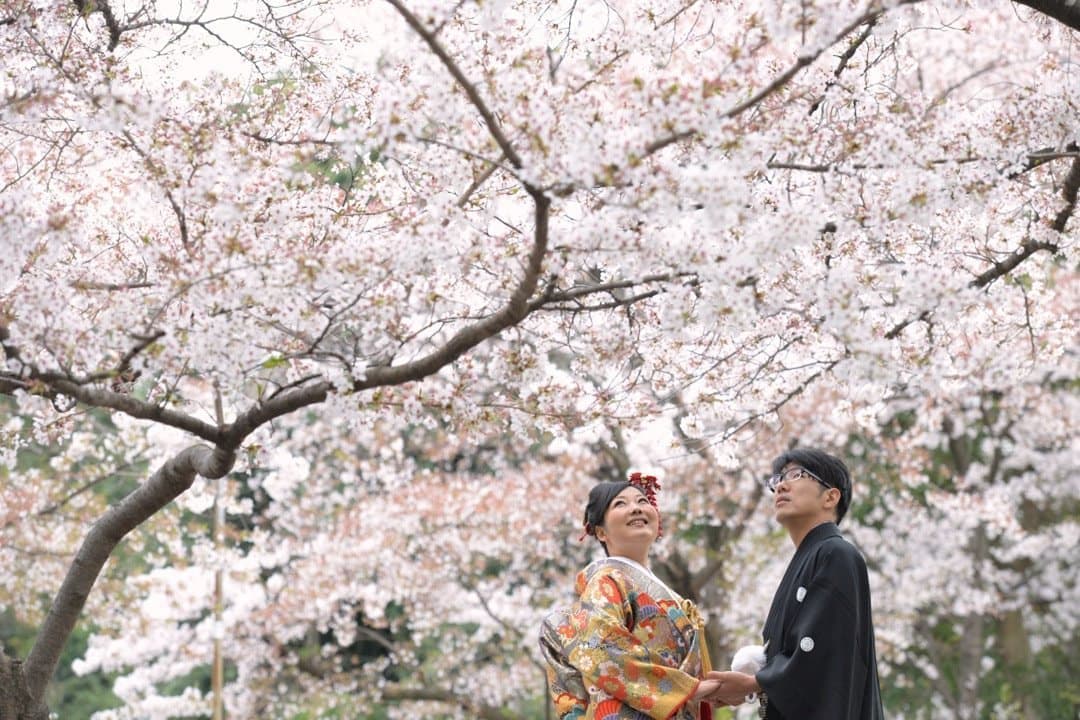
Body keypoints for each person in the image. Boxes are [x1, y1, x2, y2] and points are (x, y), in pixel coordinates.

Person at [707, 448, 885, 719]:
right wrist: (754, 684)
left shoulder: (836, 553)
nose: (781, 484)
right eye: (777, 479)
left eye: (796, 474)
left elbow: (826, 650)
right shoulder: (812, 557)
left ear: (830, 496)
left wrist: (758, 682)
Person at [538, 473, 723, 720]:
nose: (636, 508)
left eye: (642, 501)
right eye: (620, 504)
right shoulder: (607, 581)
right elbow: (601, 644)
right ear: (601, 533)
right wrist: (686, 689)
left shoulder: (666, 594)